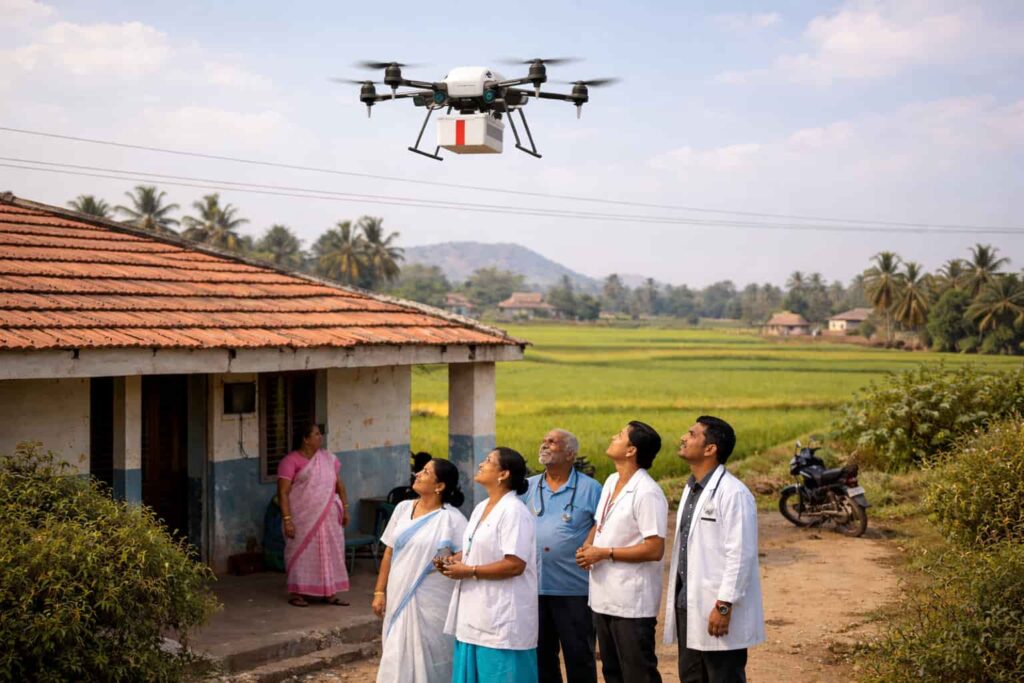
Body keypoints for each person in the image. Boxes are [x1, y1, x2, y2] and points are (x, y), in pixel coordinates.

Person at [664, 416, 764, 683]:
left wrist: (723, 607)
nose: (684, 438)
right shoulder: (691, 489)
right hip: (689, 604)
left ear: (710, 449)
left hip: (717, 609)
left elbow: (741, 555)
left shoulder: (734, 493)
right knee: (692, 677)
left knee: (723, 677)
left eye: (692, 434)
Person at [575, 421, 668, 683]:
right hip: (604, 595)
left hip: (631, 602)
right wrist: (587, 545)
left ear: (631, 450)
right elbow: (599, 522)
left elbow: (654, 548)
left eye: (620, 435)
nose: (613, 437)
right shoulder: (612, 480)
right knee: (612, 672)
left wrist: (604, 553)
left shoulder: (648, 492)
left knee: (638, 673)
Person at [439, 447, 539, 683]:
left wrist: (470, 570)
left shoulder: (514, 511)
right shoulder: (481, 508)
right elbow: (478, 546)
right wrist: (457, 559)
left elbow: (515, 564)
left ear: (503, 474)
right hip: (475, 613)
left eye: (488, 461)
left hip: (501, 620)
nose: (481, 464)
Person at [372, 459, 469, 683]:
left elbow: (467, 553)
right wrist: (379, 591)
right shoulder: (403, 508)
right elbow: (389, 551)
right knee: (396, 650)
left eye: (425, 472)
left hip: (433, 600)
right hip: (399, 593)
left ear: (440, 486)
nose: (417, 474)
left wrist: (449, 560)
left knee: (430, 653)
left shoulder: (452, 518)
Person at [523, 429, 602, 683]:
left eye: (552, 442)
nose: (544, 445)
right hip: (533, 589)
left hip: (574, 590)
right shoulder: (528, 487)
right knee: (541, 658)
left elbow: (602, 524)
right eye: (544, 440)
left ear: (570, 453)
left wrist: (589, 543)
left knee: (579, 657)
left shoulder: (591, 489)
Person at [276, 422, 350, 607]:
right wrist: (287, 520)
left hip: (329, 516)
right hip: (303, 517)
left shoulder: (327, 459)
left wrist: (345, 508)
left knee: (330, 552)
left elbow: (339, 485)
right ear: (305, 439)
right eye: (316, 434)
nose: (320, 437)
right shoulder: (290, 461)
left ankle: (329, 592)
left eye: (320, 434)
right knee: (302, 553)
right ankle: (298, 593)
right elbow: (283, 492)